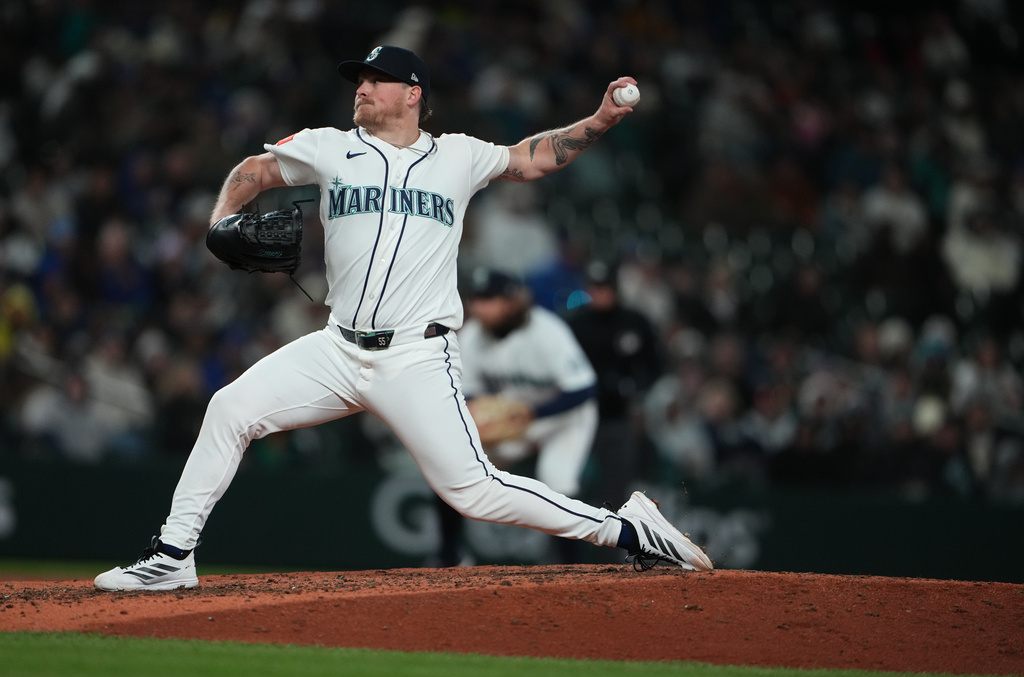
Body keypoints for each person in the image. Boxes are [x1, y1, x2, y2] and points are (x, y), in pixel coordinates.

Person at [94, 45, 711, 591]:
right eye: (358, 80)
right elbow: (252, 172)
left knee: (473, 490)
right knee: (229, 409)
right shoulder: (329, 146)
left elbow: (533, 158)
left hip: (417, 355)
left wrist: (598, 121)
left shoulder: (458, 156)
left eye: (375, 79)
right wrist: (219, 222)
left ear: (412, 93)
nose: (361, 88)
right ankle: (172, 555)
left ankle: (628, 530)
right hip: (337, 348)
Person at [434, 267, 599, 566]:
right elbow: (468, 391)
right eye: (476, 299)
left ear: (512, 301)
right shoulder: (472, 336)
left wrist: (532, 414)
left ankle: (574, 569)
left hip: (562, 418)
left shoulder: (547, 331)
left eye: (489, 299)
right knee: (453, 469)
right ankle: (450, 557)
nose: (478, 307)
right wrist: (489, 416)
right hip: (512, 421)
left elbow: (584, 388)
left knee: (558, 481)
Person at [567, 261, 664, 507]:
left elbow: (655, 366)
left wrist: (635, 387)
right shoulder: (576, 325)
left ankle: (610, 532)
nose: (599, 294)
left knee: (616, 488)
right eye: (595, 288)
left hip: (618, 417)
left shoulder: (634, 322)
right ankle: (568, 532)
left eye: (604, 288)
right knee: (569, 485)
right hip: (579, 417)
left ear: (615, 289)